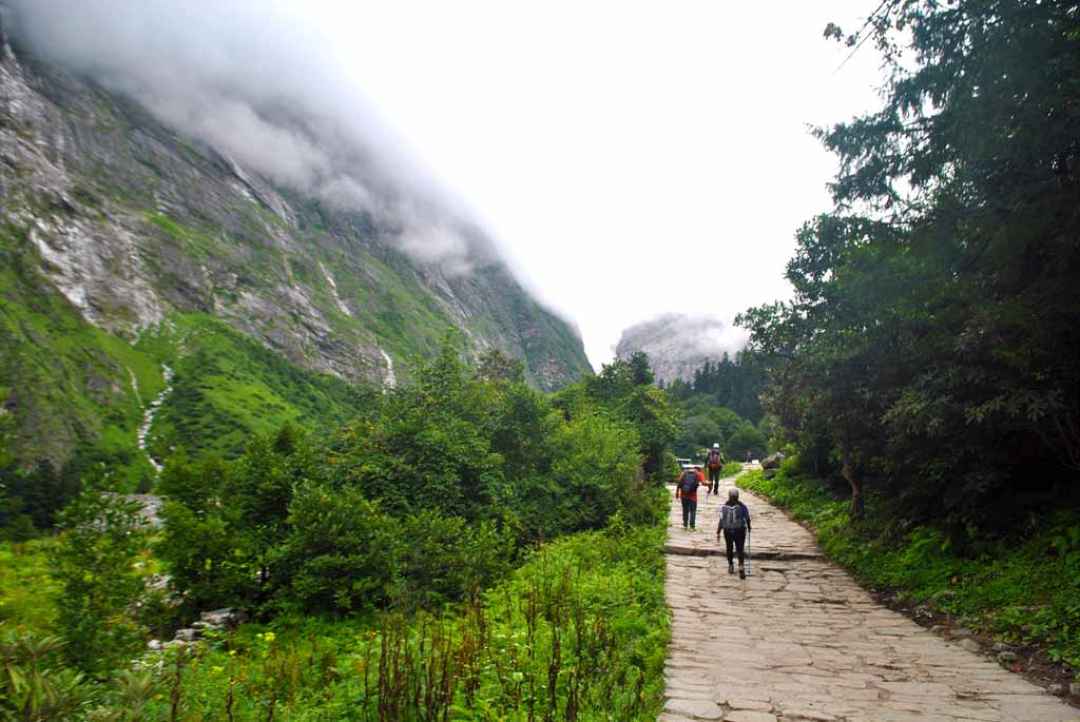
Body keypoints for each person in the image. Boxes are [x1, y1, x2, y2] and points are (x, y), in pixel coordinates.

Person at [717, 488, 752, 578]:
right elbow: (747, 518)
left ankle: (731, 565)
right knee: (740, 548)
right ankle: (741, 566)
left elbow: (721, 519)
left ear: (729, 496)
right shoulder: (742, 506)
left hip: (728, 531)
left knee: (729, 548)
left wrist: (718, 530)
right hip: (740, 530)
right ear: (737, 496)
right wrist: (749, 527)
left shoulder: (725, 506)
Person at [675, 466, 704, 530]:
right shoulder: (698, 474)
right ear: (699, 469)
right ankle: (692, 526)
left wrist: (677, 492)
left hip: (683, 495)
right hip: (693, 496)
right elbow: (703, 482)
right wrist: (710, 483)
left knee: (685, 510)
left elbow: (679, 482)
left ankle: (685, 524)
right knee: (693, 510)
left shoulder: (684, 473)